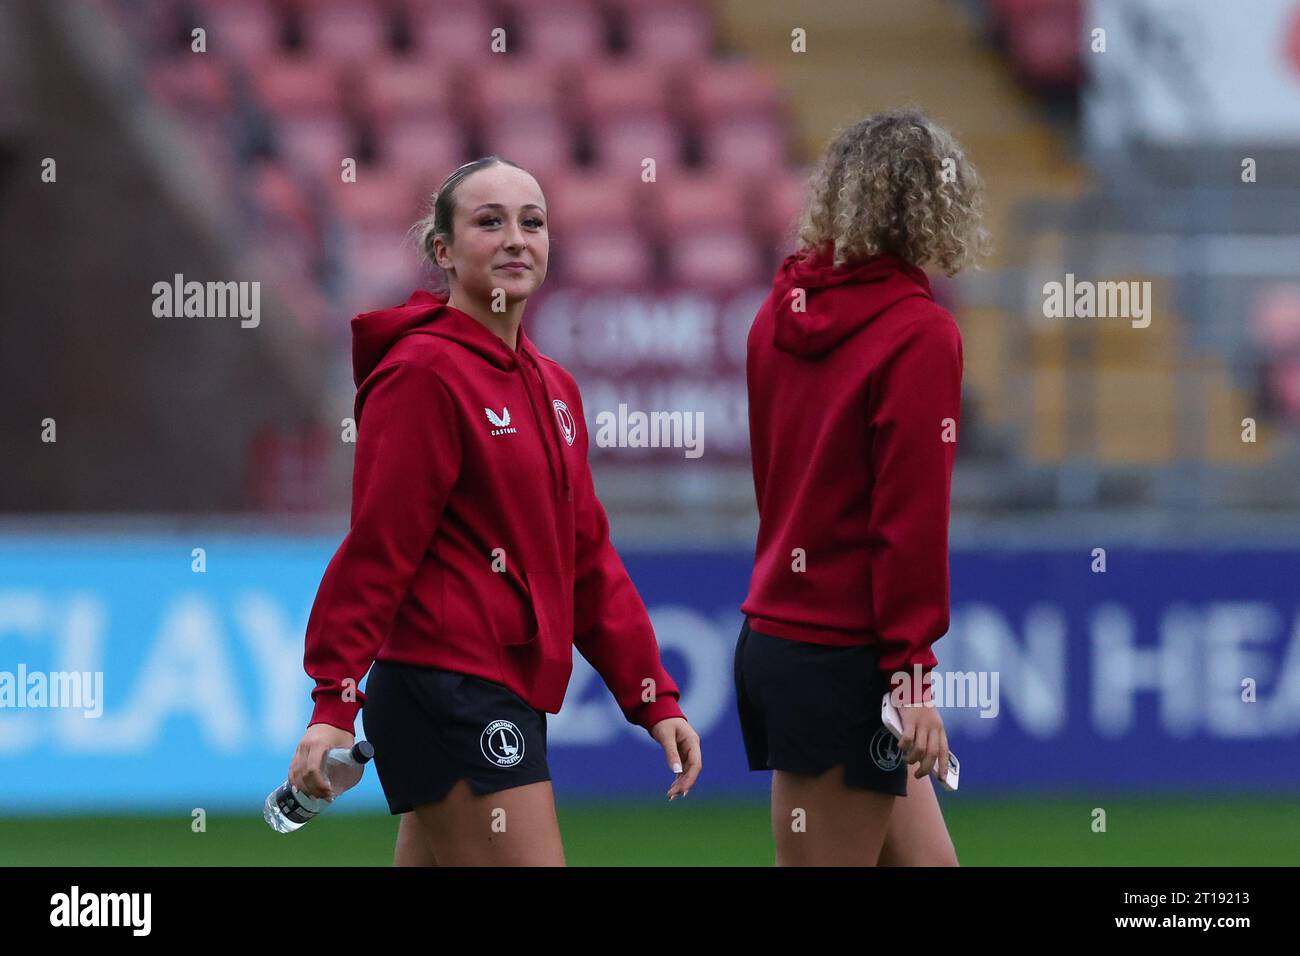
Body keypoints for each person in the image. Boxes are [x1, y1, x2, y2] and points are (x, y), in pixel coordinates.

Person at [287, 156, 702, 866]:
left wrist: (653, 696)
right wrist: (333, 705)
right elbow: (378, 551)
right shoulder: (422, 375)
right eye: (490, 222)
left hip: (497, 694)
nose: (516, 239)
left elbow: (588, 560)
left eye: (531, 223)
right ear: (442, 252)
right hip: (449, 692)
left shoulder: (556, 388)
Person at [736, 109, 989, 866]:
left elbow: (778, 483)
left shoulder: (774, 316)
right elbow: (907, 524)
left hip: (788, 635)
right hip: (845, 656)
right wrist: (912, 675)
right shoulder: (920, 332)